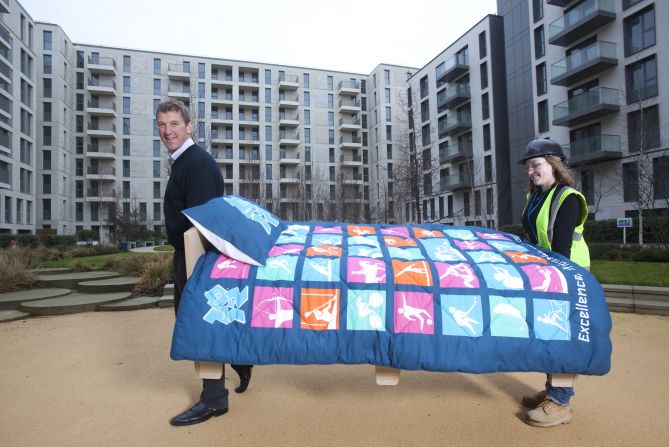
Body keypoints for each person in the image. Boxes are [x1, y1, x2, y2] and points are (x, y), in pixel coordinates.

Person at [157, 99, 253, 426]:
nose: (167, 130)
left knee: (198, 324)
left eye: (173, 123)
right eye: (162, 124)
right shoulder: (185, 162)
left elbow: (202, 224)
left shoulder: (195, 163)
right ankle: (240, 361)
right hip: (187, 255)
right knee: (200, 322)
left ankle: (214, 400)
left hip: (195, 258)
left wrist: (194, 268)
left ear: (188, 127)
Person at [519, 138, 590, 428]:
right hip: (547, 273)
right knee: (548, 333)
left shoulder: (567, 198)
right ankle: (553, 390)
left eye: (536, 165)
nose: (530, 172)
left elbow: (561, 249)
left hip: (569, 275)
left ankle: (560, 401)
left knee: (561, 336)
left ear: (554, 164)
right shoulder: (535, 197)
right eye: (528, 167)